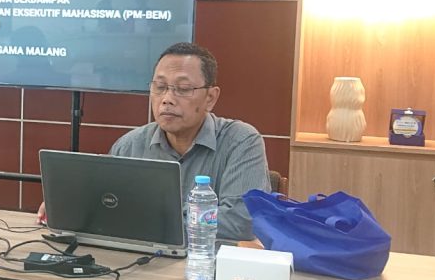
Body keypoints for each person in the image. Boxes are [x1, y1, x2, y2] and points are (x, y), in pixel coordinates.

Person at [38, 42, 270, 240]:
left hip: (208, 268)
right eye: (160, 87)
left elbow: (242, 222)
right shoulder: (129, 145)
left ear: (210, 98)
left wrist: (149, 217)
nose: (167, 99)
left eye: (183, 89)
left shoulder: (241, 141)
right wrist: (72, 207)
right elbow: (106, 208)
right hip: (141, 266)